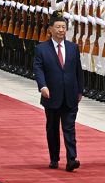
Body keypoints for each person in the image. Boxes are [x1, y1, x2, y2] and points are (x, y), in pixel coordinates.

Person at [33, 12, 84, 171]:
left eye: (63, 27)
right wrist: (42, 86)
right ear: (50, 29)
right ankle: (54, 158)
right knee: (53, 128)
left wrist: (80, 90)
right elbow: (38, 69)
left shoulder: (73, 48)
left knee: (69, 128)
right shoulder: (41, 49)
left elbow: (78, 71)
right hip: (52, 95)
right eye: (58, 27)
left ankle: (71, 159)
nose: (61, 30)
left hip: (70, 95)